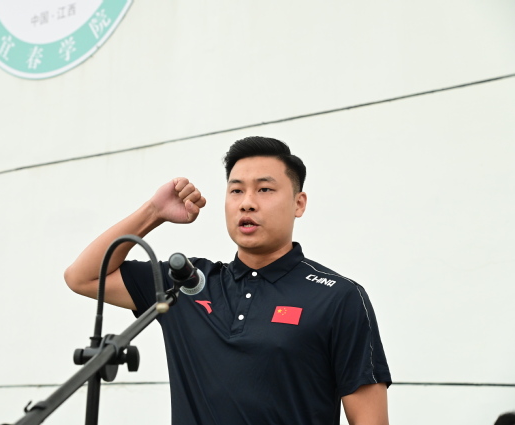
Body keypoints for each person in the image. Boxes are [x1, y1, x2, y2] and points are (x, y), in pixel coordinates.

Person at [65, 136, 392, 425]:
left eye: (264, 189)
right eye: (236, 190)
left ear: (298, 203)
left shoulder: (338, 297)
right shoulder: (187, 284)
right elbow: (82, 277)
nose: (247, 202)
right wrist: (154, 212)